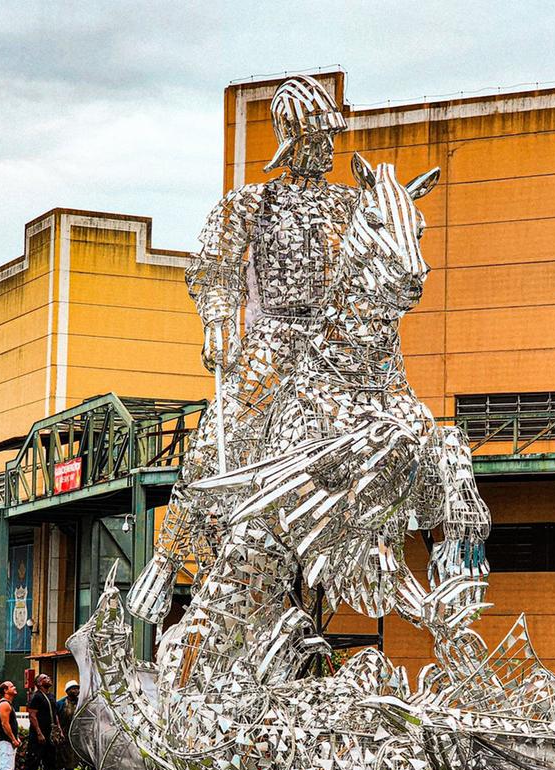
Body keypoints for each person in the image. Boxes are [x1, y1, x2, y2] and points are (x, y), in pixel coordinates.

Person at [127, 74, 357, 625]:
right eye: (318, 137)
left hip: (336, 344)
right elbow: (216, 267)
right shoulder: (253, 204)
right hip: (275, 339)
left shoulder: (351, 206)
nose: (328, 148)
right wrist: (217, 320)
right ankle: (167, 559)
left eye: (330, 137)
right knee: (222, 434)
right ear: (294, 140)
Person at [21, 674, 59, 770]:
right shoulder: (36, 697)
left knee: (51, 759)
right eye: (45, 678)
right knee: (33, 759)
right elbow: (32, 715)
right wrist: (39, 733)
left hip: (50, 733)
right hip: (38, 734)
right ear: (39, 683)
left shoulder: (51, 696)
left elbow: (55, 714)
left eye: (48, 677)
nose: (48, 679)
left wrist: (59, 730)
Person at [55, 680, 80, 770]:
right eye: (73, 689)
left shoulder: (81, 703)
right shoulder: (60, 703)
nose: (76, 691)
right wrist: (59, 731)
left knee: (72, 757)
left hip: (75, 734)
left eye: (77, 688)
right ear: (68, 691)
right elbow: (55, 717)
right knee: (59, 757)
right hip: (63, 733)